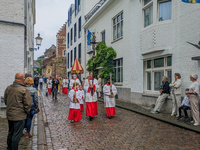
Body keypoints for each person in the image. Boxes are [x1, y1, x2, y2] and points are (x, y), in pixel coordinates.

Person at [4, 73, 32, 150]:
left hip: (10, 114)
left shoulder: (8, 88)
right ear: (22, 79)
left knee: (11, 132)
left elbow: (6, 101)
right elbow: (27, 104)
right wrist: (26, 112)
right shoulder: (23, 90)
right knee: (16, 134)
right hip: (19, 115)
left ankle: (9, 148)